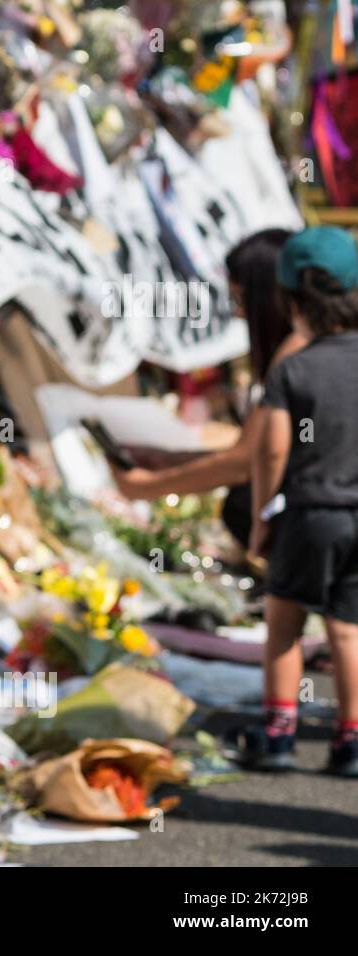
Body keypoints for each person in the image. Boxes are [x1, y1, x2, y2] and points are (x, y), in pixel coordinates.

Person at [237, 226, 358, 776]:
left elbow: (272, 451)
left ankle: (280, 733)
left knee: (285, 621)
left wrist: (264, 515)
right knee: (349, 629)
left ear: (289, 301)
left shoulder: (293, 368)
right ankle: (350, 740)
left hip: (309, 512)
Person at [112, 228, 308, 549]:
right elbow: (256, 452)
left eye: (241, 298)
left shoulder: (296, 350)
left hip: (323, 531)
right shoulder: (314, 343)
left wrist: (148, 487)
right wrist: (173, 459)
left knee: (242, 504)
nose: (238, 312)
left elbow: (246, 462)